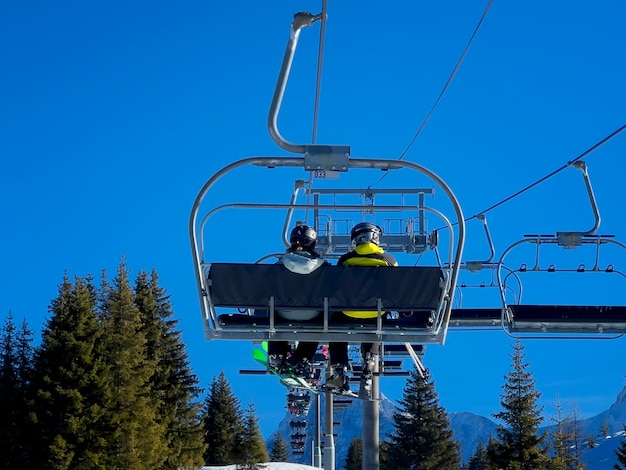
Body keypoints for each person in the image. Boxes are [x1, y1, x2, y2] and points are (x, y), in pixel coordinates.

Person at [324, 222, 398, 394]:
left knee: (335, 327)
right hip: (375, 313)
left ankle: (339, 370)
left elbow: (337, 286)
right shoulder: (389, 261)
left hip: (348, 312)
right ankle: (369, 361)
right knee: (377, 325)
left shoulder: (346, 260)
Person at [267, 224, 329, 379]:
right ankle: (302, 358)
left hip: (283, 312)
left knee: (275, 319)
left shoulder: (279, 265)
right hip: (312, 314)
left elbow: (268, 289)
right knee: (317, 326)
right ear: (313, 244)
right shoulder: (323, 267)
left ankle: (276, 355)